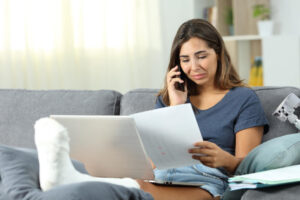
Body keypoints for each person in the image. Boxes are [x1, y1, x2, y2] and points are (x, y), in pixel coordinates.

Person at [34, 19, 269, 200]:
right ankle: (70, 175)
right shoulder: (171, 98)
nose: (194, 66)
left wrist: (224, 159)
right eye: (185, 59)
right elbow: (155, 159)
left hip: (207, 183)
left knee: (138, 191)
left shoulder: (243, 99)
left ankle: (69, 179)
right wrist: (176, 105)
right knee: (116, 181)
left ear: (218, 53)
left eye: (201, 56)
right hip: (163, 177)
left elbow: (250, 168)